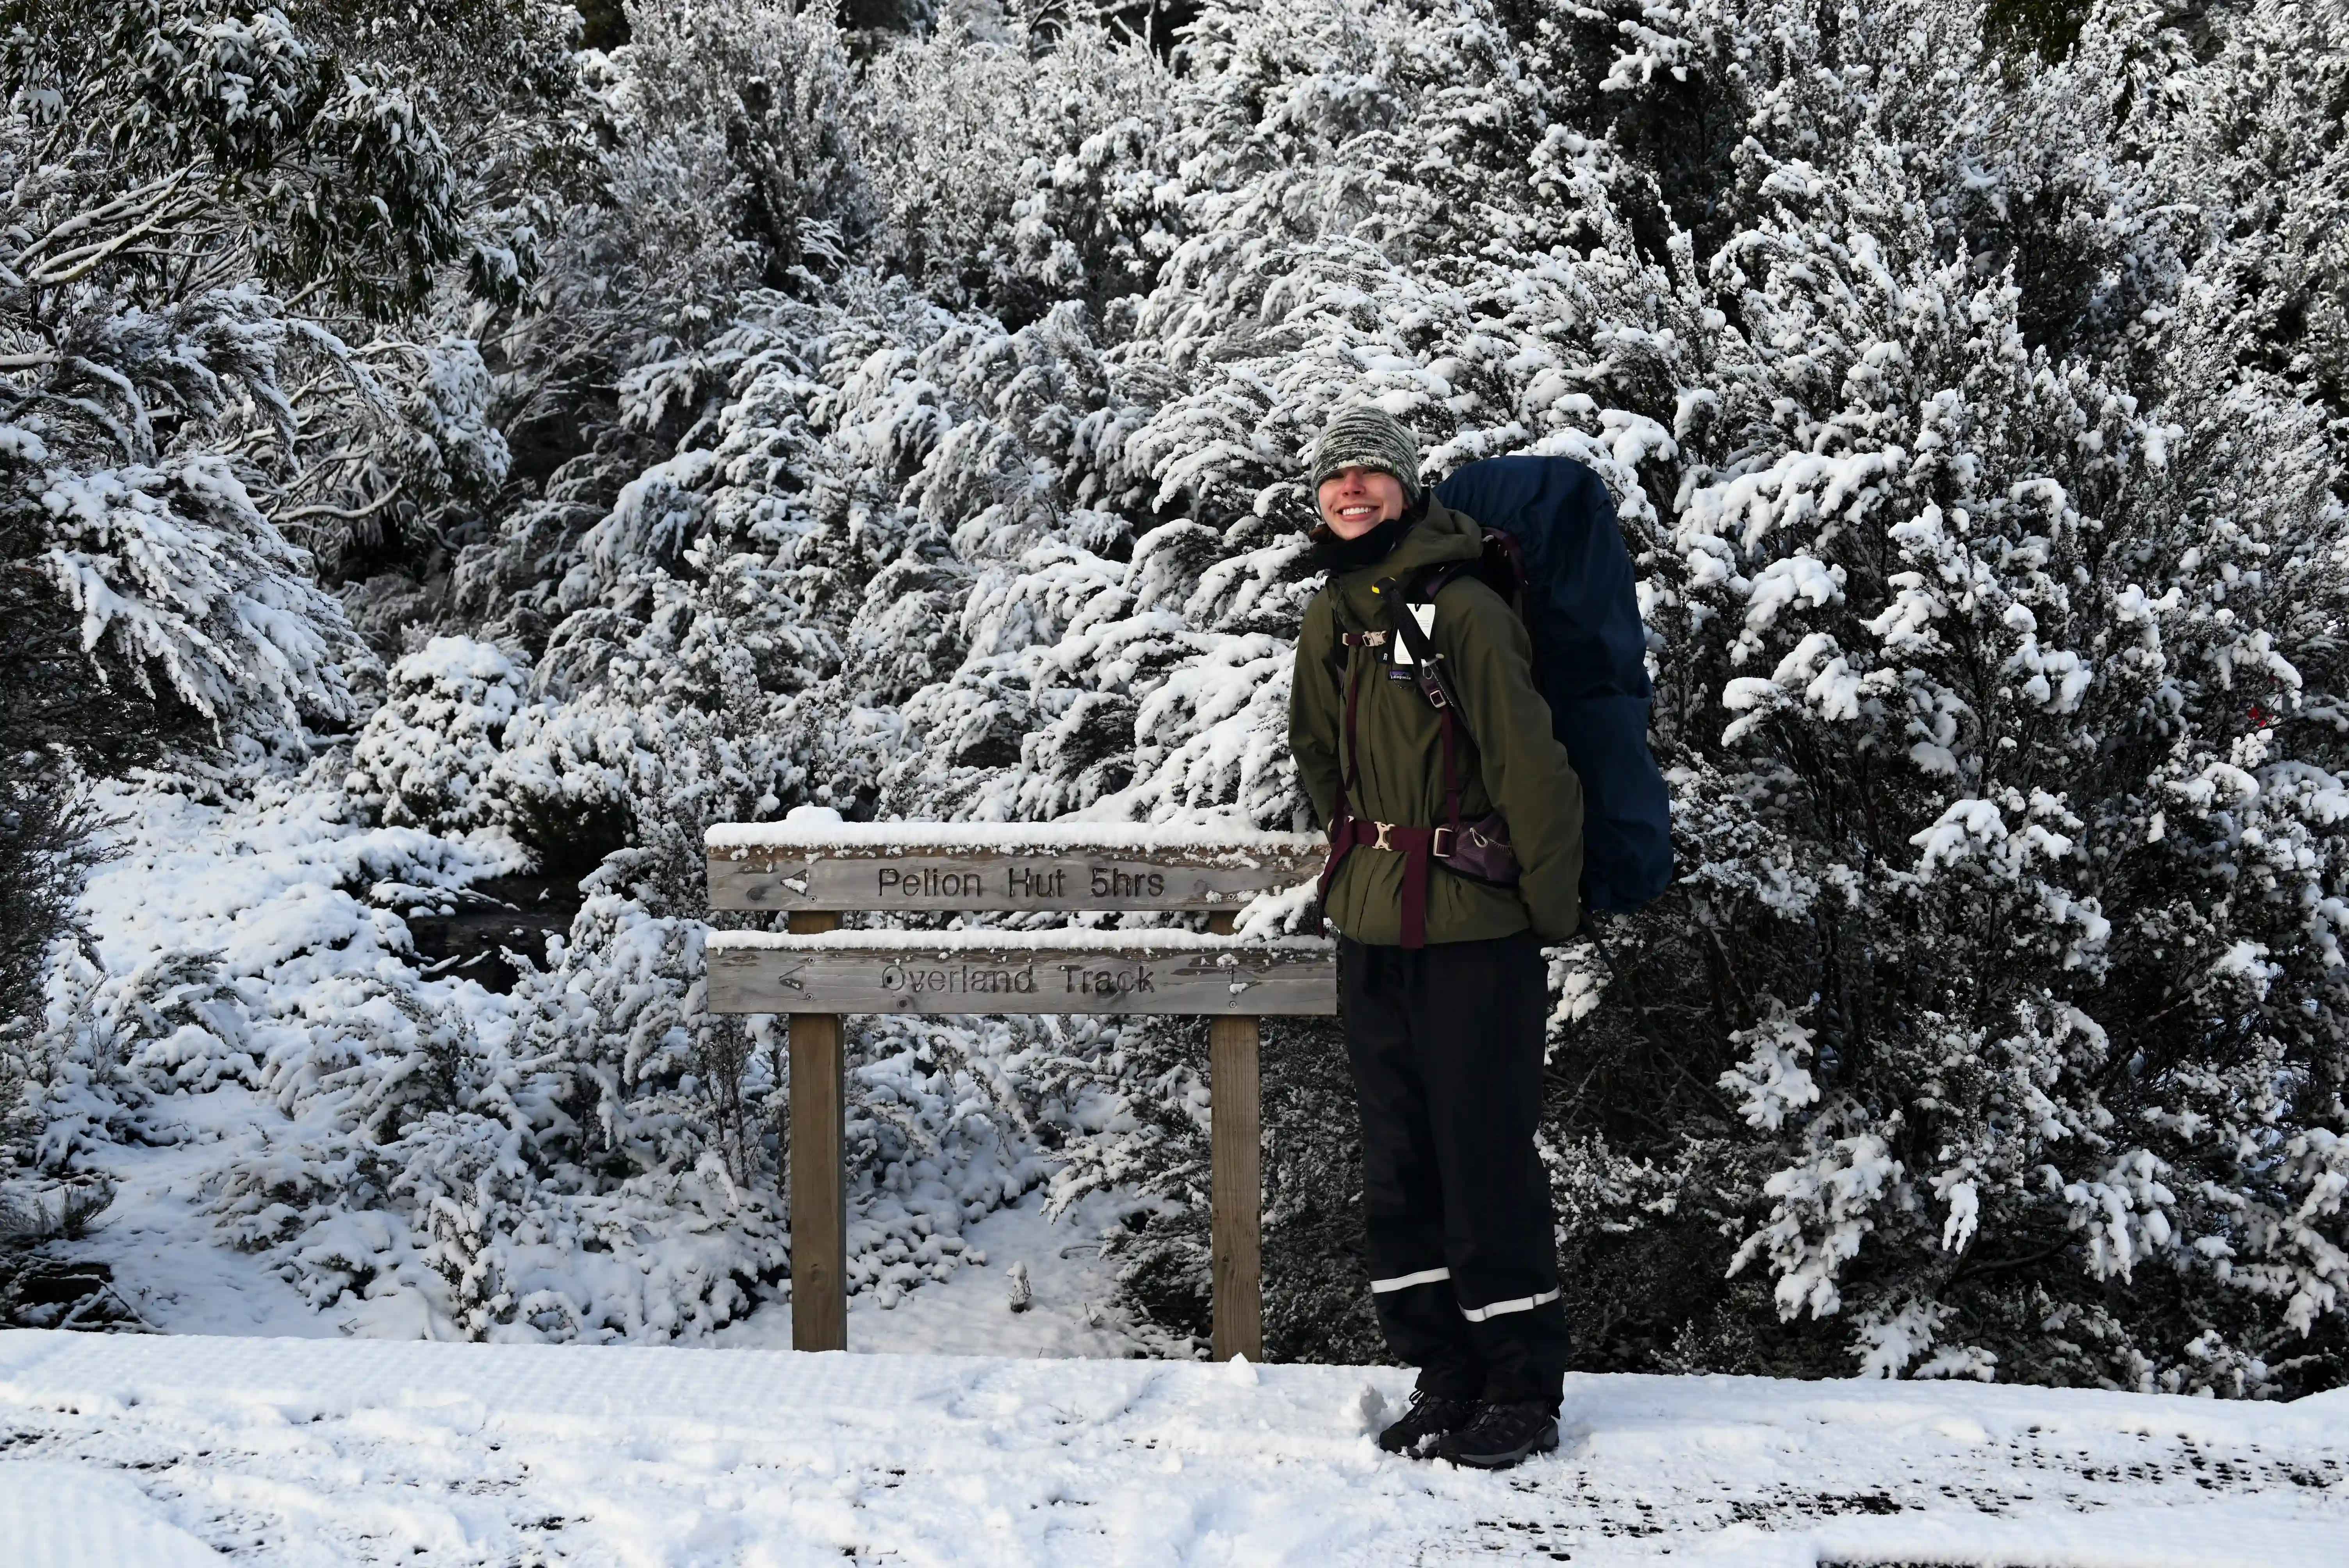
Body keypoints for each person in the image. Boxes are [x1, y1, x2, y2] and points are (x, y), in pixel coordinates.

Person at [1287, 404, 1585, 1470]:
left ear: (1407, 489)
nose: (1353, 489)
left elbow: (1531, 766)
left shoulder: (1464, 608)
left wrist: (1545, 908)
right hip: (1372, 925)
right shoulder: (1335, 613)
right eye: (1336, 477)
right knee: (1401, 1159)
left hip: (1473, 932)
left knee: (1483, 1153)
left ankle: (1522, 1386)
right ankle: (1445, 1371)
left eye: (1371, 472)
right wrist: (1365, 860)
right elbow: (1317, 755)